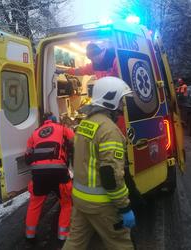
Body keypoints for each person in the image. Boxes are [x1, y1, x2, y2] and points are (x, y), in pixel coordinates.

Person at [63, 77, 136, 250]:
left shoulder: (85, 124)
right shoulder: (110, 131)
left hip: (80, 200)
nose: (123, 106)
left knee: (74, 243)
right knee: (120, 244)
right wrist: (124, 207)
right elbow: (111, 176)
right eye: (121, 101)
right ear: (111, 100)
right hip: (102, 204)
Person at [24, 113, 74, 249]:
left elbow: (27, 158)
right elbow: (74, 141)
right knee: (66, 203)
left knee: (35, 203)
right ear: (54, 121)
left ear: (43, 123)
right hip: (58, 172)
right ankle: (62, 237)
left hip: (39, 174)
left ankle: (30, 235)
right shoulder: (62, 128)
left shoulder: (34, 134)